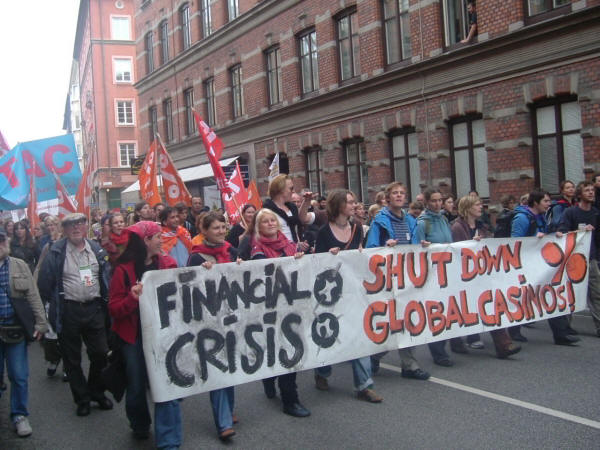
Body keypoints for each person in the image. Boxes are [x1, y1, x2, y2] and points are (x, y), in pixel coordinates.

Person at [108, 221, 182, 446]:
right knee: (137, 384)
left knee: (166, 381)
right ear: (145, 241)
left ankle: (168, 432)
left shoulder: (168, 263)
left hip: (163, 334)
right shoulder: (123, 270)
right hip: (134, 336)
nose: (162, 240)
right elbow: (114, 308)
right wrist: (132, 298)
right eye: (157, 236)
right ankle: (139, 424)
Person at [37, 213, 113, 417]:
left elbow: (106, 278)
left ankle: (96, 391)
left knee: (100, 353)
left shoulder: (96, 249)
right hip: (68, 310)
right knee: (72, 359)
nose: (76, 228)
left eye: (80, 223)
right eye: (71, 225)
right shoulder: (56, 251)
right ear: (64, 229)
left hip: (94, 309)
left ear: (86, 226)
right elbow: (44, 284)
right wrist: (48, 310)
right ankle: (82, 399)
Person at [314, 190, 383, 403]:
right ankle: (322, 371)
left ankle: (364, 385)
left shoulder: (357, 228)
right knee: (329, 334)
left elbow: (359, 254)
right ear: (338, 205)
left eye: (354, 202)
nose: (354, 205)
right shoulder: (324, 232)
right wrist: (328, 256)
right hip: (331, 294)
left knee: (358, 335)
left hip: (353, 291)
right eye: (350, 202)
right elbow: (316, 264)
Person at [365, 182, 431, 380]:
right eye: (395, 193)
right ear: (388, 198)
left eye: (402, 193)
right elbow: (371, 249)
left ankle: (409, 365)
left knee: (409, 319)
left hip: (407, 279)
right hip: (388, 280)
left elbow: (413, 245)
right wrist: (384, 247)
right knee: (391, 322)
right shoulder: (379, 221)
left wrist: (422, 246)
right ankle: (374, 355)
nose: (399, 196)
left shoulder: (411, 220)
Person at [251, 208, 310, 418]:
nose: (270, 224)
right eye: (265, 221)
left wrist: (300, 259)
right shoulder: (256, 248)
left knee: (289, 348)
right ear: (258, 227)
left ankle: (287, 395)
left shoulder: (288, 244)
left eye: (272, 220)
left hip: (290, 306)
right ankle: (284, 394)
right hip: (269, 308)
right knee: (275, 348)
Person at [188, 212, 240, 440]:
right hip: (209, 321)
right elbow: (189, 288)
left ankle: (229, 408)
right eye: (216, 228)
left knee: (231, 364)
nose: (221, 231)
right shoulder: (196, 258)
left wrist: (241, 267)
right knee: (217, 366)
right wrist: (202, 274)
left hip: (232, 318)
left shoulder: (232, 251)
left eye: (223, 227)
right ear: (204, 231)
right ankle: (223, 422)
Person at [451, 194, 521, 358]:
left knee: (491, 305)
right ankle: (455, 341)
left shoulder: (482, 225)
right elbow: (456, 250)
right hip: (464, 276)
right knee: (460, 309)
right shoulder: (457, 227)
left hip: (481, 273)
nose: (480, 207)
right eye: (476, 205)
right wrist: (471, 243)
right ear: (467, 208)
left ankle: (503, 345)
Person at [510, 189, 578, 345]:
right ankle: (513, 330)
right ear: (535, 202)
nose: (549, 204)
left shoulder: (541, 217)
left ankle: (561, 334)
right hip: (524, 265)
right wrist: (534, 239)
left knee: (551, 293)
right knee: (524, 297)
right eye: (545, 201)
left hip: (538, 263)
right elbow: (514, 242)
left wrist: (555, 235)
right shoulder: (522, 218)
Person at [0, 227, 48, 437]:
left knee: (19, 375)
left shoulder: (18, 265)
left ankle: (19, 415)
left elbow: (33, 295)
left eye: (1, 240)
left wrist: (41, 324)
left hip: (14, 330)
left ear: (6, 241)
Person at [416, 188, 467, 366]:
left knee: (449, 308)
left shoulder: (444, 219)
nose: (438, 204)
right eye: (434, 201)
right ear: (426, 202)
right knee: (436, 311)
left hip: (447, 271)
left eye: (439, 200)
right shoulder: (423, 223)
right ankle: (438, 352)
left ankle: (452, 341)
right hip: (432, 273)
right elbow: (416, 249)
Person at [558, 181, 600, 338]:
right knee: (571, 292)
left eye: (592, 190)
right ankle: (565, 326)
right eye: (587, 190)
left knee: (596, 293)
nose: (591, 193)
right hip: (574, 259)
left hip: (591, 258)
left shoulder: (596, 213)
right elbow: (562, 232)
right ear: (580, 194)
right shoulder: (570, 212)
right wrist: (581, 231)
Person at [33, 215, 65, 379]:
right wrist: (35, 288)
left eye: (54, 224)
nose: (51, 227)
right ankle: (53, 358)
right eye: (48, 225)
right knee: (50, 330)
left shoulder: (68, 243)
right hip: (51, 293)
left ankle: (68, 363)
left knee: (67, 330)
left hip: (67, 291)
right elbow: (39, 267)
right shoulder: (47, 246)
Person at [262, 174, 314, 250]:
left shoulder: (292, 208)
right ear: (281, 190)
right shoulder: (267, 211)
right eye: (291, 188)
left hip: (294, 252)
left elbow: (295, 229)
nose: (293, 191)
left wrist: (298, 244)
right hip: (278, 252)